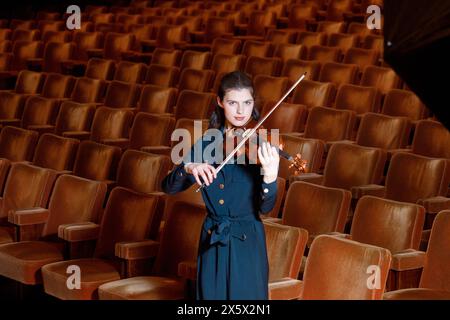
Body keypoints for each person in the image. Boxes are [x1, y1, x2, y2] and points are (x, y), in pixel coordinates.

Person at [161, 71, 280, 300]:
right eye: (232, 102)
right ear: (220, 102)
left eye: (247, 103)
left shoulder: (260, 146)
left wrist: (270, 177)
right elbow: (168, 187)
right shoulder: (207, 142)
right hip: (212, 239)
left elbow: (266, 208)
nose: (240, 111)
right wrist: (189, 167)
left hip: (248, 242)